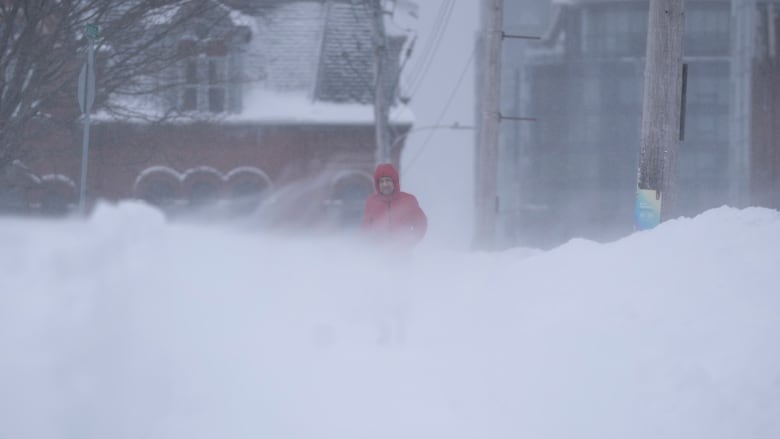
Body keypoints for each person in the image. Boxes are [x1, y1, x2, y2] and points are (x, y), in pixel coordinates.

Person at [360, 163, 427, 247]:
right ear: (378, 184)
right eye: (381, 181)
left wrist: (411, 241)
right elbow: (365, 228)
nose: (385, 184)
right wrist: (370, 245)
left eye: (388, 180)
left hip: (403, 253)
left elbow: (421, 224)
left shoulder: (408, 200)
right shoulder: (371, 202)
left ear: (394, 182)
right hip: (378, 254)